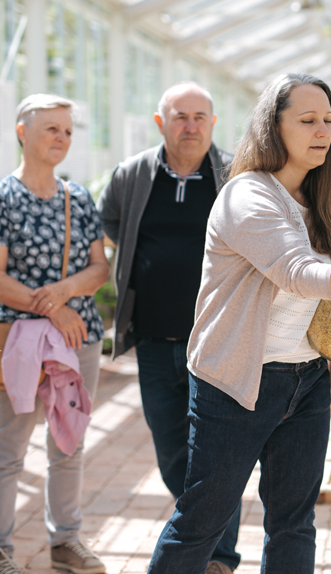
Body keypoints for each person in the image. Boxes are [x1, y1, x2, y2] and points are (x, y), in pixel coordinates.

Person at [147, 73, 331, 574]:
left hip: (306, 382)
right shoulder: (249, 196)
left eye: (328, 120)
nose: (322, 130)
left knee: (294, 522)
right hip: (238, 384)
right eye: (307, 120)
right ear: (273, 127)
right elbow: (299, 273)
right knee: (204, 519)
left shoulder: (324, 202)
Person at [96, 82, 242, 573]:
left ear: (213, 123)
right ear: (161, 122)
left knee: (218, 458)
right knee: (171, 453)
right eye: (180, 116)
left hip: (217, 341)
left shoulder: (234, 175)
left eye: (201, 116)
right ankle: (207, 538)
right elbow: (112, 222)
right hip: (155, 341)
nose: (191, 125)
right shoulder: (133, 174)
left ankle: (218, 558)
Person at [0, 94, 110, 574]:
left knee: (68, 442)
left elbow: (99, 269)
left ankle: (65, 541)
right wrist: (54, 310)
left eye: (68, 131)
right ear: (21, 131)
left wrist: (63, 294)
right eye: (51, 128)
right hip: (21, 341)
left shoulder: (79, 198)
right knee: (8, 446)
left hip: (79, 338)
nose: (61, 138)